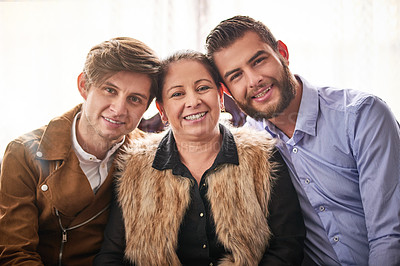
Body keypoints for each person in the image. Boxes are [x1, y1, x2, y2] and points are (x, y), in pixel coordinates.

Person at [205, 15, 400, 266]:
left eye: (259, 61)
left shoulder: (362, 116)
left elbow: (390, 234)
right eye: (236, 76)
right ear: (227, 91)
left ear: (282, 53)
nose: (253, 81)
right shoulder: (250, 145)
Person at [94, 50, 305, 265]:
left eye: (202, 88)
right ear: (162, 110)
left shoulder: (263, 156)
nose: (193, 101)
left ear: (220, 97)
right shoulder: (134, 166)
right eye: (177, 94)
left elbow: (287, 246)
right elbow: (111, 256)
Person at [0, 37, 160, 265]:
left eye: (134, 99)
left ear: (146, 107)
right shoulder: (23, 153)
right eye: (109, 90)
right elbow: (15, 254)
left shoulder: (149, 157)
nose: (118, 109)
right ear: (84, 86)